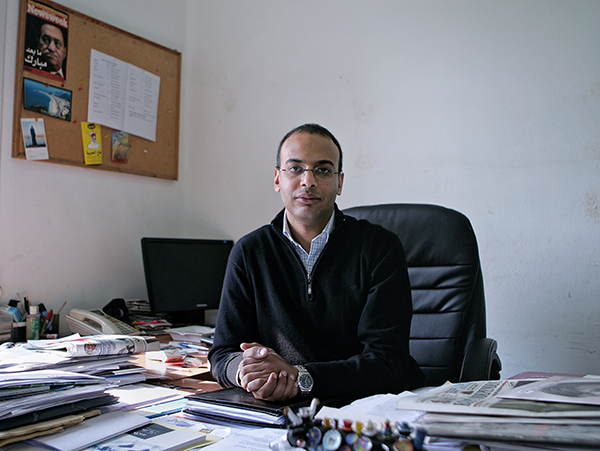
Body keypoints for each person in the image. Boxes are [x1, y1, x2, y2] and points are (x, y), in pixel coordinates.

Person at [209, 123, 424, 403]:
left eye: (323, 170)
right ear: (277, 179)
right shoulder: (250, 252)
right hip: (282, 406)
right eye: (295, 168)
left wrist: (301, 378)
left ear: (339, 182)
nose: (308, 181)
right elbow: (223, 353)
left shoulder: (379, 247)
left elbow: (386, 361)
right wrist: (247, 371)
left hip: (367, 406)